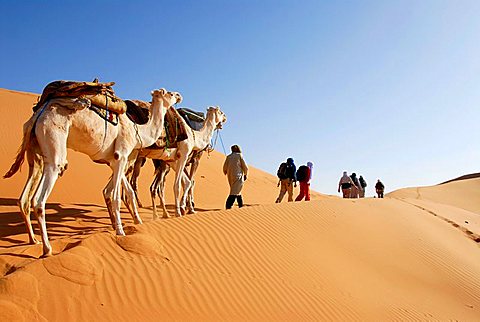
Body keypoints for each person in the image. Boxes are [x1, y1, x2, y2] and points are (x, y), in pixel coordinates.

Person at [223, 145, 248, 209]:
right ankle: (228, 205)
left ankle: (240, 205)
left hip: (230, 176)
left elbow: (224, 167)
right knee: (234, 192)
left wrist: (225, 172)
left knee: (237, 191)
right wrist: (245, 174)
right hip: (238, 176)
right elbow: (245, 166)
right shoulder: (239, 155)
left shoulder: (228, 157)